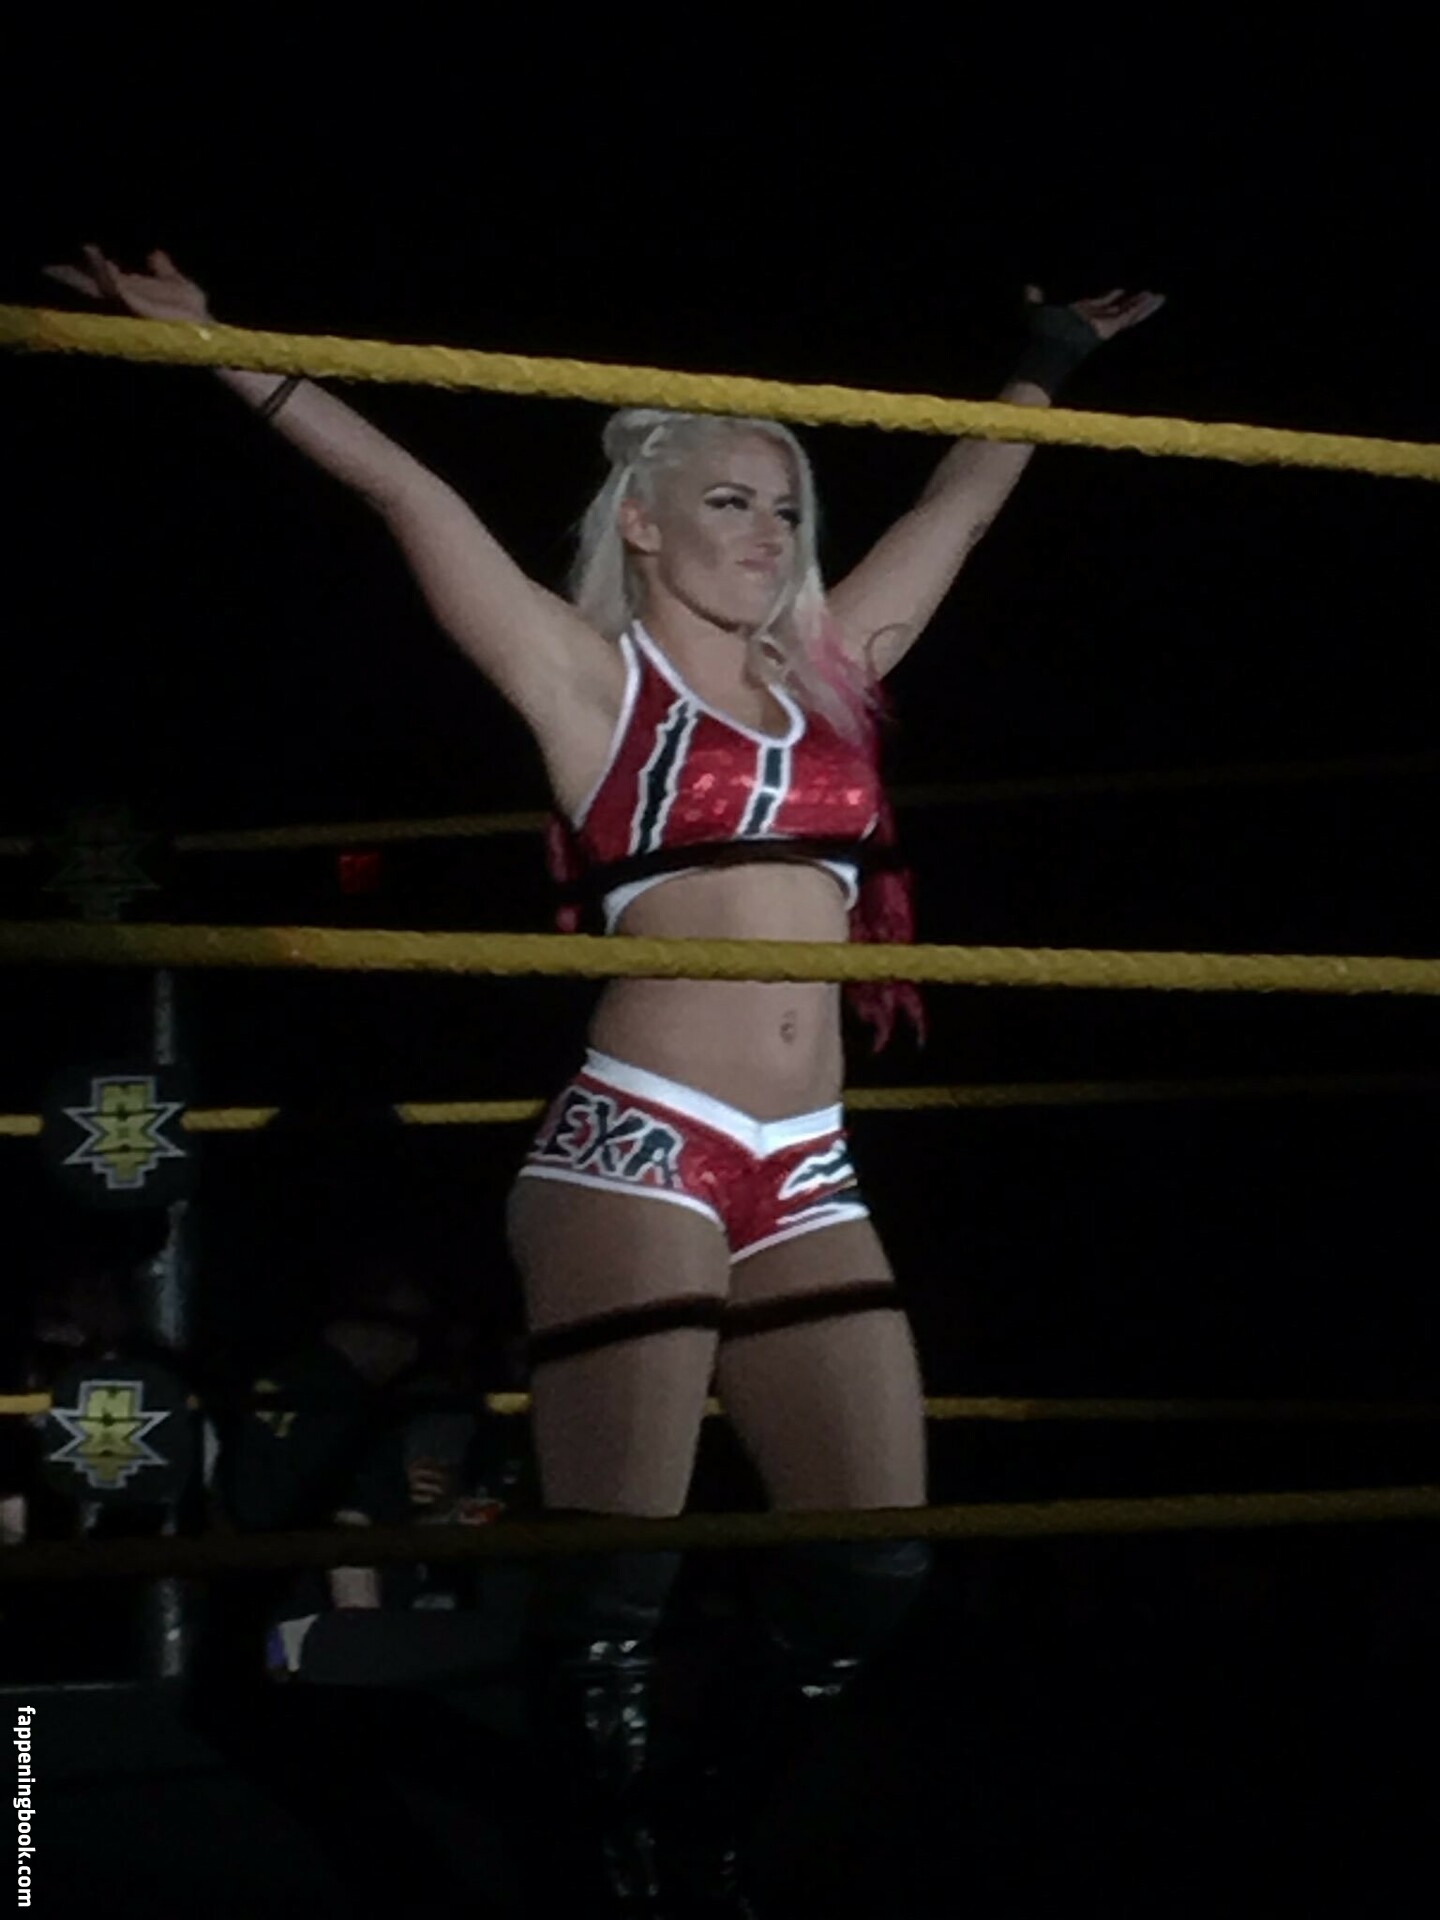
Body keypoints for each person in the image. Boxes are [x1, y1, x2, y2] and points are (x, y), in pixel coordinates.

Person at [45, 244, 1162, 1915]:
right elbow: (405, 491)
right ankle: (610, 1875)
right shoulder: (586, 677)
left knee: (871, 1564)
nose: (767, 533)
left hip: (811, 1158)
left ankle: (702, 1826)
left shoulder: (838, 664)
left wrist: (1049, 356)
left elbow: (965, 501)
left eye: (786, 509)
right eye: (729, 502)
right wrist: (220, 348)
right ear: (641, 520)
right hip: (640, 1144)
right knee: (615, 1583)